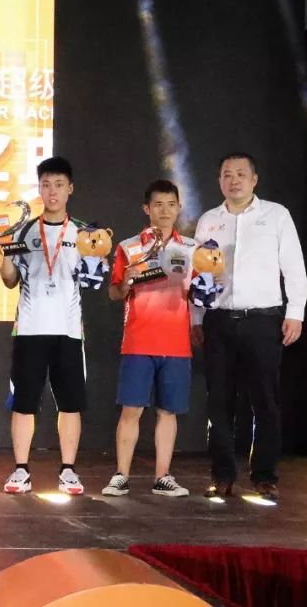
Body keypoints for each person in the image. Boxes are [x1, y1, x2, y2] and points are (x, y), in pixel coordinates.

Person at [193, 152, 306, 502]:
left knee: (265, 401)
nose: (234, 180)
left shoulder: (276, 215)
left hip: (263, 321)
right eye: (227, 174)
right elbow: (198, 274)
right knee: (219, 402)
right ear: (219, 181)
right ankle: (222, 475)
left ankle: (265, 476)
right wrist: (196, 318)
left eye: (241, 174)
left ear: (254, 179)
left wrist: (296, 312)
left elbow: (294, 267)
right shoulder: (209, 220)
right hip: (219, 320)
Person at [101, 180, 196, 498]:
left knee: (168, 412)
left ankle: (163, 476)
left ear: (179, 208)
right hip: (139, 342)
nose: (165, 210)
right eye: (158, 204)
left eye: (171, 204)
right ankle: (121, 475)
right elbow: (114, 293)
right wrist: (126, 282)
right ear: (147, 208)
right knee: (131, 410)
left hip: (177, 343)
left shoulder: (193, 249)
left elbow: (201, 292)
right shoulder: (128, 247)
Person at [0, 156, 88, 496]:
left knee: (70, 403)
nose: (52, 192)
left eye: (59, 185)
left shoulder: (85, 233)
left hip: (68, 330)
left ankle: (69, 471)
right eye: (46, 185)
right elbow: (10, 280)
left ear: (70, 189)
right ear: (38, 188)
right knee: (23, 402)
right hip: (29, 329)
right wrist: (0, 253)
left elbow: (93, 279)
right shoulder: (22, 231)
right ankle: (21, 469)